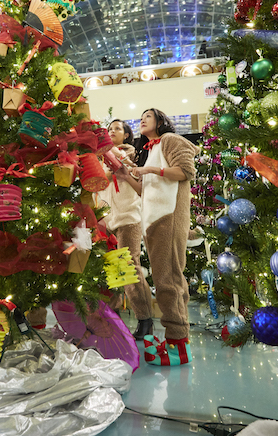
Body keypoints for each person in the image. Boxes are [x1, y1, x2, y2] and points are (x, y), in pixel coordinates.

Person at [116, 109, 199, 366]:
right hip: (154, 221)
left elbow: (185, 171)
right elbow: (145, 190)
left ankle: (178, 344)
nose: (142, 119)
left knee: (168, 280)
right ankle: (175, 339)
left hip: (168, 216)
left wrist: (150, 169)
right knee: (165, 278)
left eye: (148, 116)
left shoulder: (171, 140)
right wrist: (126, 176)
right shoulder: (152, 148)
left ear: (161, 121)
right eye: (141, 117)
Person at [97, 120, 153, 340]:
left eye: (117, 129)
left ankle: (145, 319)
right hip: (106, 221)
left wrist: (112, 154)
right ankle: (112, 320)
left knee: (129, 268)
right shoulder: (99, 158)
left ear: (127, 135)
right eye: (109, 129)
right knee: (112, 271)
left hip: (128, 218)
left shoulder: (131, 154)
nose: (112, 132)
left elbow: (135, 177)